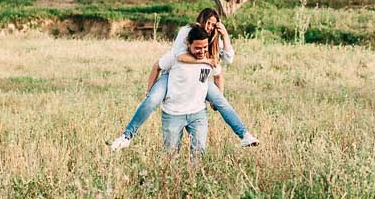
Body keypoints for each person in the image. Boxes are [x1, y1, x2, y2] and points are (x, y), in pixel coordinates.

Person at [109, 8, 261, 150]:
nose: (209, 27)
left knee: (222, 101)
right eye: (208, 23)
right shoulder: (188, 31)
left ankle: (244, 135)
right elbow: (180, 57)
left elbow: (228, 59)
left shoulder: (212, 39)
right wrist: (206, 60)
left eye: (213, 25)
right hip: (173, 75)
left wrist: (225, 35)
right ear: (200, 20)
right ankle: (126, 136)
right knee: (152, 99)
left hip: (199, 79)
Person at [155, 25, 222, 156]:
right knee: (170, 154)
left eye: (204, 47)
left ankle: (195, 175)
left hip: (198, 113)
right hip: (173, 113)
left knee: (199, 153)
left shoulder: (209, 59)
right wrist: (151, 92)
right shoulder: (175, 57)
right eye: (197, 48)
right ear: (188, 44)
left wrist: (217, 97)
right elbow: (157, 66)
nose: (201, 51)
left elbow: (218, 75)